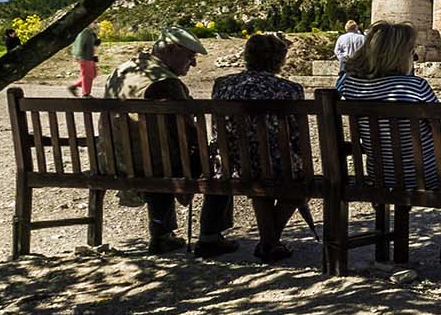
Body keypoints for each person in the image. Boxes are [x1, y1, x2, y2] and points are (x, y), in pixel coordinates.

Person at [336, 22, 441, 264]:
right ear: (399, 54)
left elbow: (342, 85)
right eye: (410, 51)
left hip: (379, 173)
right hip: (425, 175)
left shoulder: (348, 84)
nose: (413, 56)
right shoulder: (415, 86)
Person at [103, 25, 235, 255]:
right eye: (190, 56)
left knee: (157, 152)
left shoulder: (121, 71)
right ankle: (210, 236)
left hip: (117, 159)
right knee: (223, 163)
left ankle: (162, 235)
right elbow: (187, 130)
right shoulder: (165, 83)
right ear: (172, 49)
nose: (194, 64)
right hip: (155, 164)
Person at [211, 32, 311, 263]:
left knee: (260, 176)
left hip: (233, 163)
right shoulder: (289, 89)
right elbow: (297, 134)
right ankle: (269, 242)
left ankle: (269, 242)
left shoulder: (222, 84)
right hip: (275, 164)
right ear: (279, 60)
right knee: (298, 185)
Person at [68, 20, 101, 97]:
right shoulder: (84, 32)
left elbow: (94, 46)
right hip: (85, 57)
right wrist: (78, 56)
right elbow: (79, 44)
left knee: (93, 74)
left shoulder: (91, 32)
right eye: (94, 22)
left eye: (96, 22)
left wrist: (95, 56)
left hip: (90, 56)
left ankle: (74, 86)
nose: (96, 24)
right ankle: (86, 94)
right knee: (87, 76)